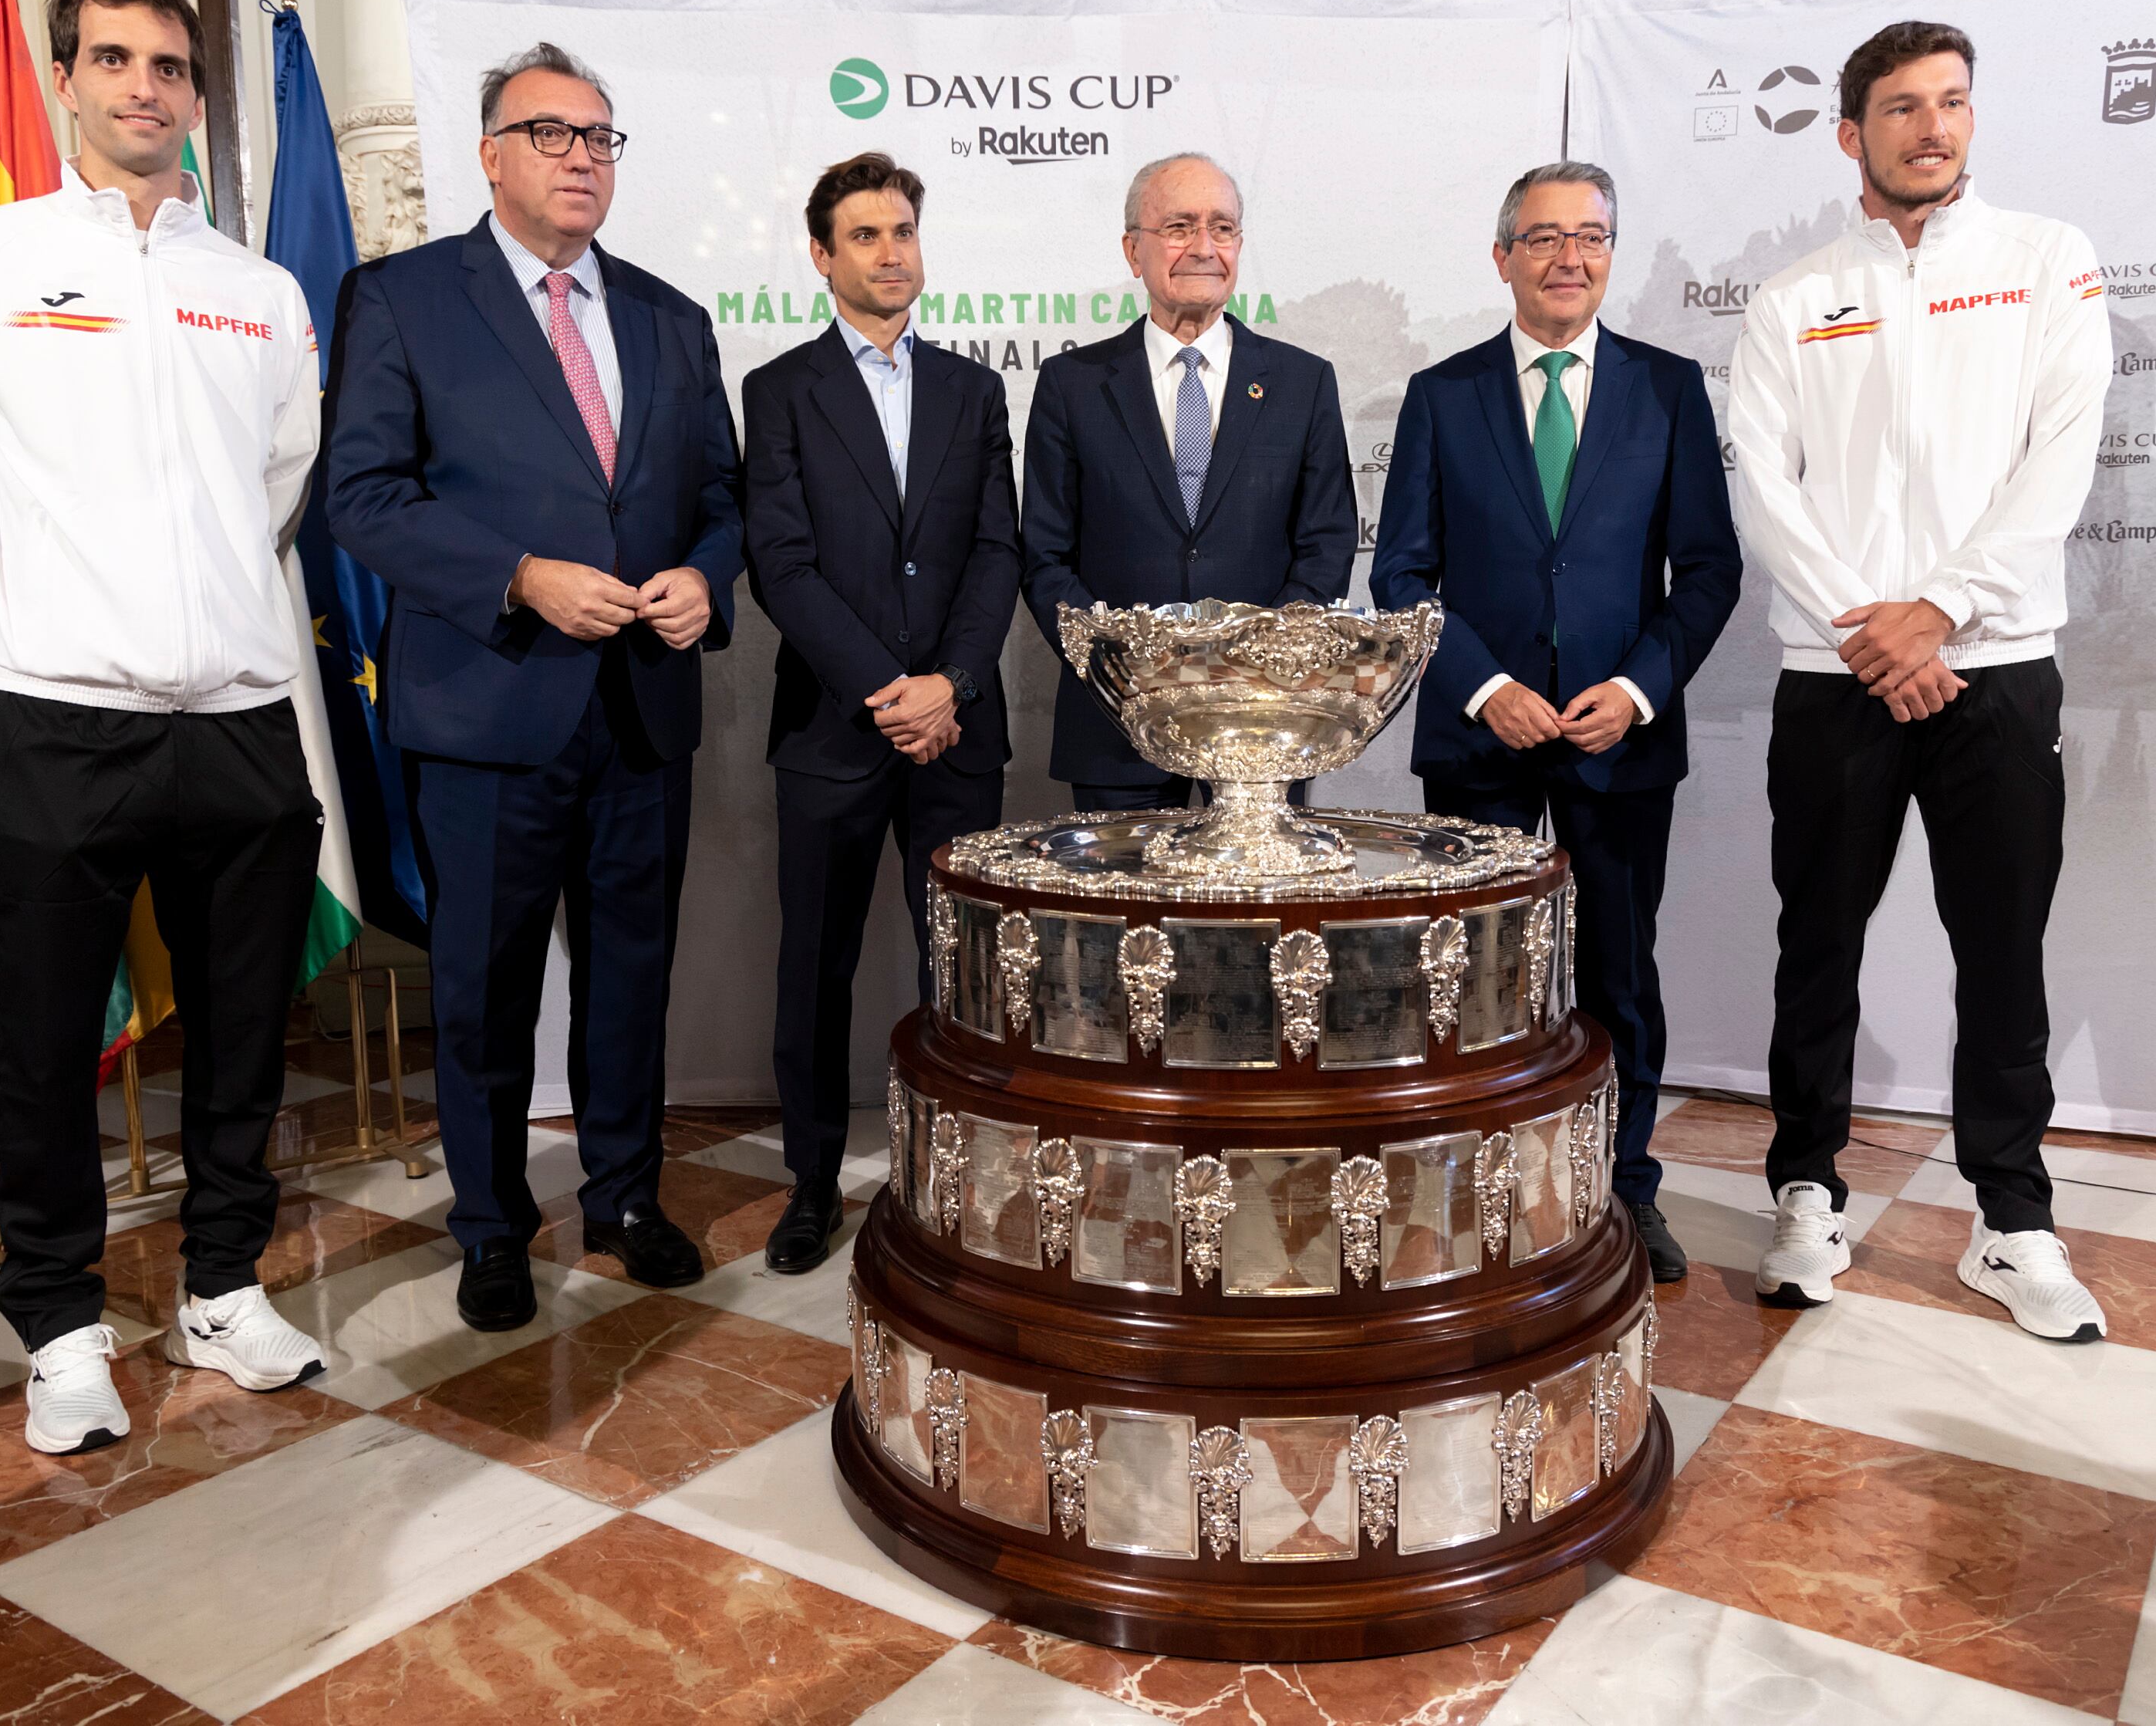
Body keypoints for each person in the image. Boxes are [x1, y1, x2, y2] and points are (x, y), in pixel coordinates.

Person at [0, 0, 329, 1454]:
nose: (145, 86)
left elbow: (274, 488)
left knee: (242, 1032)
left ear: (196, 93)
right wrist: (72, 606)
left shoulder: (260, 290)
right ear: (63, 76)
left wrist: (197, 611)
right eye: (114, 59)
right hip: (57, 719)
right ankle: (64, 1325)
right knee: (43, 1043)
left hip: (236, 713)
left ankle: (220, 1284)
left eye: (169, 64)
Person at [324, 43, 744, 1331]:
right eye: (551, 132)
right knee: (486, 990)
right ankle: (493, 1225)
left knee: (630, 979)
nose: (579, 156)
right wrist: (515, 574)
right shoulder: (400, 300)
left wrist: (702, 582)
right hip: (488, 714)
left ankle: (623, 1198)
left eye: (601, 137)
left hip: (638, 716)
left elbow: (721, 499)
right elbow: (361, 496)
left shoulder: (672, 316)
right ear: (490, 152)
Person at [1727, 21, 2114, 1340]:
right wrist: (1870, 633)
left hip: (1993, 672)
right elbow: (1764, 490)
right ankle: (1802, 1188)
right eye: (1899, 108)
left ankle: (2009, 1221)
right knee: (1813, 949)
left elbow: (2055, 462)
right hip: (1833, 677)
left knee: (2001, 954)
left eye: (1950, 102)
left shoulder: (2045, 260)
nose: (1931, 128)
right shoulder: (1788, 298)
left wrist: (1937, 612)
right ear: (1850, 134)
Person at [1372, 162, 1743, 1285]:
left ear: (1609, 256)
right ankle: (1471, 1191)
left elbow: (1708, 570)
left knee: (1617, 973)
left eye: (1588, 237)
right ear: (1501, 258)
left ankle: (1623, 1189)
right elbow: (1400, 575)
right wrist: (1487, 687)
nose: (1566, 257)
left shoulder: (1667, 389)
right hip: (1481, 738)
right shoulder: (1441, 394)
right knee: (1473, 982)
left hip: (1615, 738)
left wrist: (1632, 689)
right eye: (1541, 238)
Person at [741, 154, 1019, 1272]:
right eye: (864, 235)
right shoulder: (777, 392)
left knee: (961, 968)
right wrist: (887, 691)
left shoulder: (972, 389)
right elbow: (781, 564)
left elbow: (996, 548)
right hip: (833, 730)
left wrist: (947, 685)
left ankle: (951, 1175)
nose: (890, 252)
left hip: (957, 728)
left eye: (903, 230)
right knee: (815, 965)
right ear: (822, 255)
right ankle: (811, 1182)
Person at [1020, 153, 1358, 809]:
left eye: (1222, 228)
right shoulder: (1073, 385)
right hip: (1118, 723)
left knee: (1252, 916)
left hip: (1264, 724)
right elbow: (1045, 556)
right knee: (1128, 913)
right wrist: (1126, 669)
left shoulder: (1302, 381)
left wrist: (1259, 666)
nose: (1203, 247)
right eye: (1178, 226)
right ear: (1133, 249)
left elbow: (1326, 542)